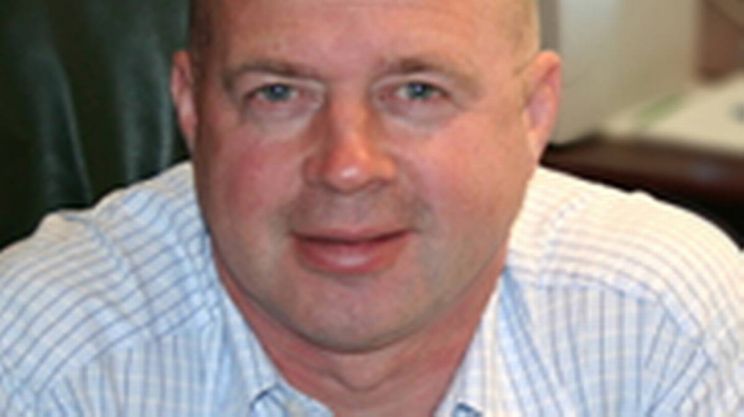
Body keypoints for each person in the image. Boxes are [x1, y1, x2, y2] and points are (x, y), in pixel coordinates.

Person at [1, 0, 741, 415]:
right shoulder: (43, 359)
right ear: (191, 108)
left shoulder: (665, 327)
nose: (347, 166)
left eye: (417, 92)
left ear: (532, 112)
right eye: (278, 93)